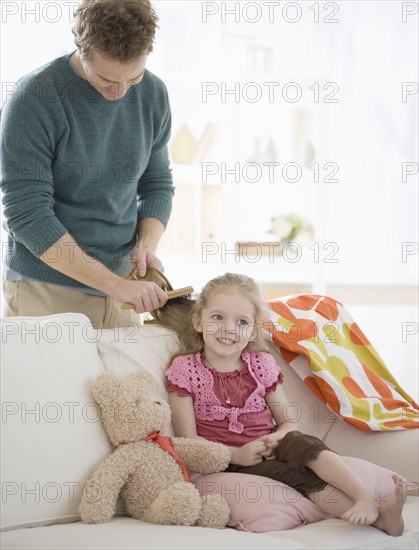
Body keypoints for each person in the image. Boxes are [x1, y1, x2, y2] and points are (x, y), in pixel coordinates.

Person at [161, 272, 406, 536]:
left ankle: (363, 497)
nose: (229, 329)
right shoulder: (185, 370)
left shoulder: (261, 364)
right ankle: (380, 520)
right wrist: (237, 455)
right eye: (217, 318)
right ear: (198, 322)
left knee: (302, 442)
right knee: (299, 477)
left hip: (271, 446)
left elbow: (289, 422)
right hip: (229, 460)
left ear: (254, 330)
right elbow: (188, 442)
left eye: (241, 322)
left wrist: (274, 440)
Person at [1, 0, 173, 328]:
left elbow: (157, 183)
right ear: (82, 49)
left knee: (121, 382)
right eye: (107, 80)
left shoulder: (153, 94)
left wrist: (145, 245)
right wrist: (115, 285)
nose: (120, 92)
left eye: (132, 78)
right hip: (47, 290)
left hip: (122, 291)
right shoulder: (33, 99)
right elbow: (28, 215)